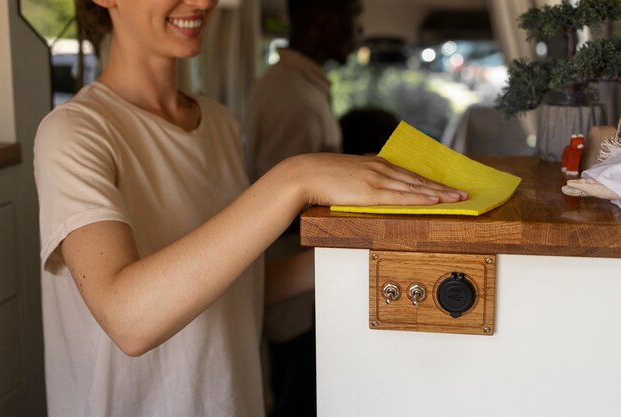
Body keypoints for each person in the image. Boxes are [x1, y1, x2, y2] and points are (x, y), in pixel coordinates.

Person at [33, 1, 468, 417]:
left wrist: (377, 248)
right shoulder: (74, 132)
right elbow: (127, 319)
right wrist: (296, 178)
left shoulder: (220, 123)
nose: (204, 2)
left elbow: (238, 284)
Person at [245, 2, 363, 415]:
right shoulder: (289, 97)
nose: (358, 33)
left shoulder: (300, 86)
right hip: (292, 298)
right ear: (325, 21)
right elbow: (273, 213)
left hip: (304, 286)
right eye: (354, 22)